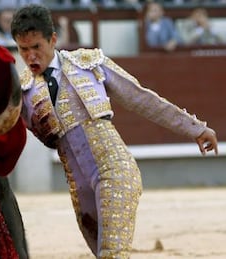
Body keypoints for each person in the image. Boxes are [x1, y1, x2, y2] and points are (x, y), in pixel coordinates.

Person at [11, 4, 218, 258]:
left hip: (115, 170)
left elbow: (140, 98)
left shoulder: (87, 63)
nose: (31, 56)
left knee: (112, 255)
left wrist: (194, 128)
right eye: (23, 50)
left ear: (53, 40)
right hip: (80, 189)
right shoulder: (22, 90)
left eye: (36, 48)